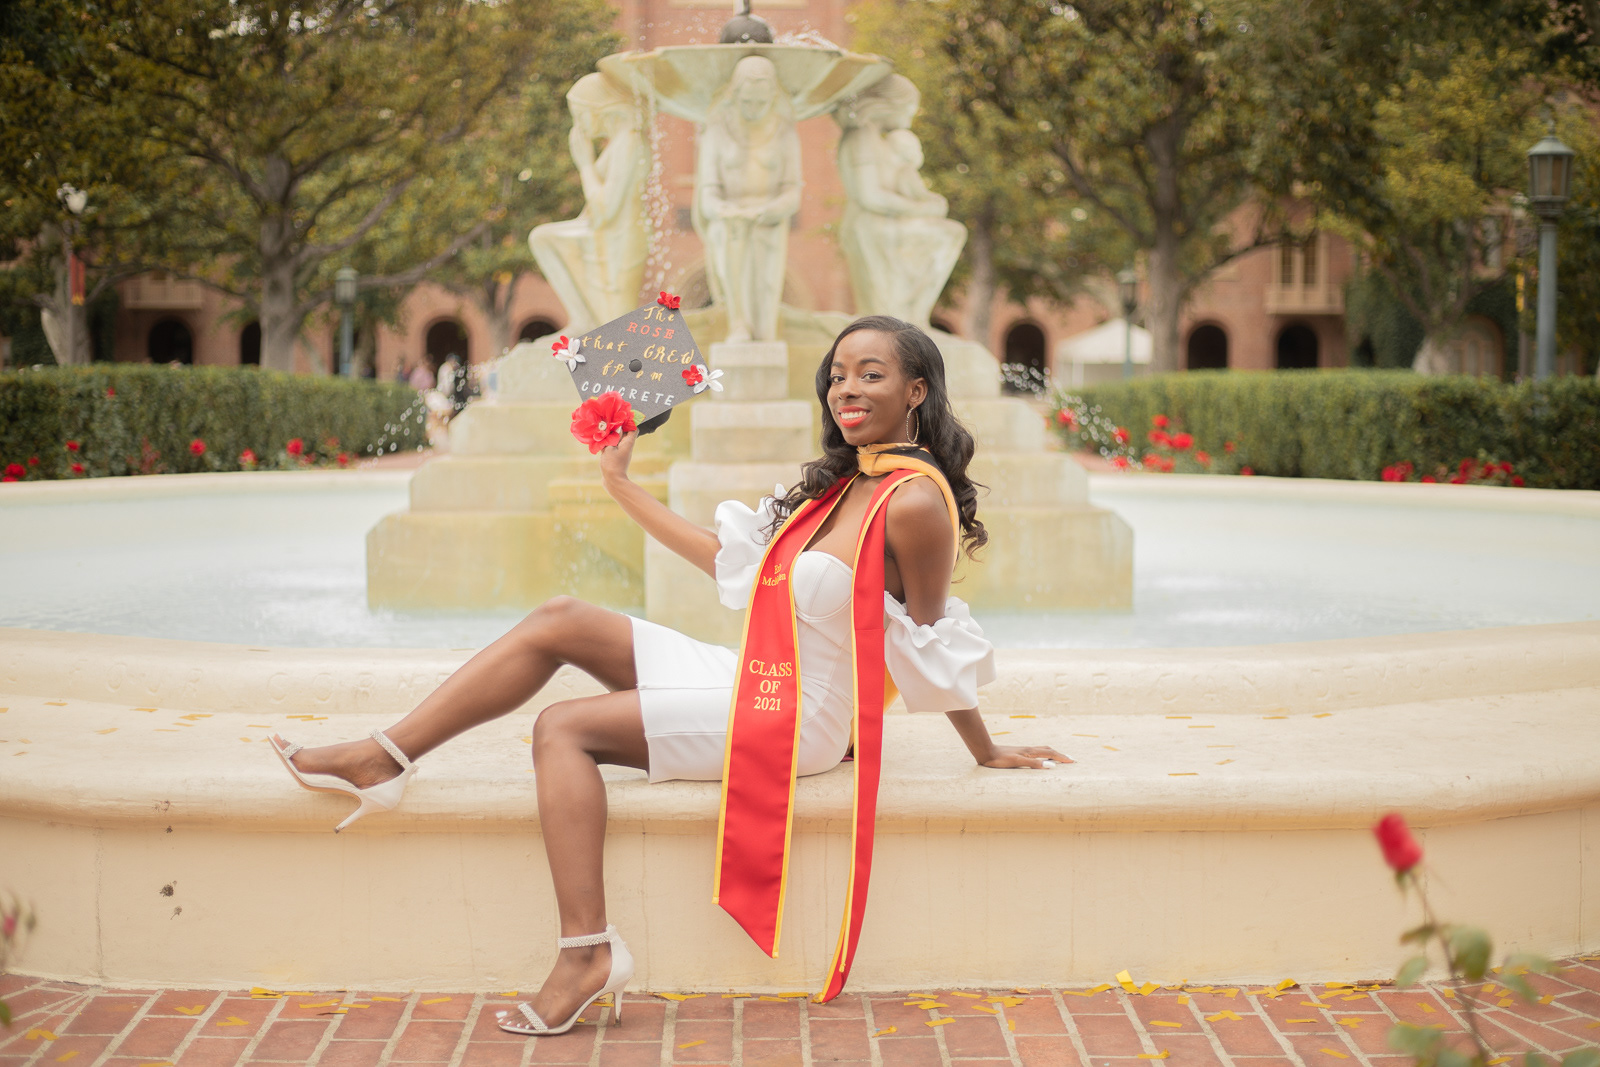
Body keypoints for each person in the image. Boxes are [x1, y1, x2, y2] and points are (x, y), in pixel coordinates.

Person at [268, 316, 1068, 1035]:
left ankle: (586, 953)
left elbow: (929, 640)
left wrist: (986, 748)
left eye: (870, 373)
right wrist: (620, 484)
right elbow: (731, 562)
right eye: (837, 374)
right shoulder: (847, 480)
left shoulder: (913, 501)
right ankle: (384, 756)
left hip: (802, 715)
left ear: (916, 390)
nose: (846, 388)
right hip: (758, 672)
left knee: (562, 729)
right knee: (561, 617)